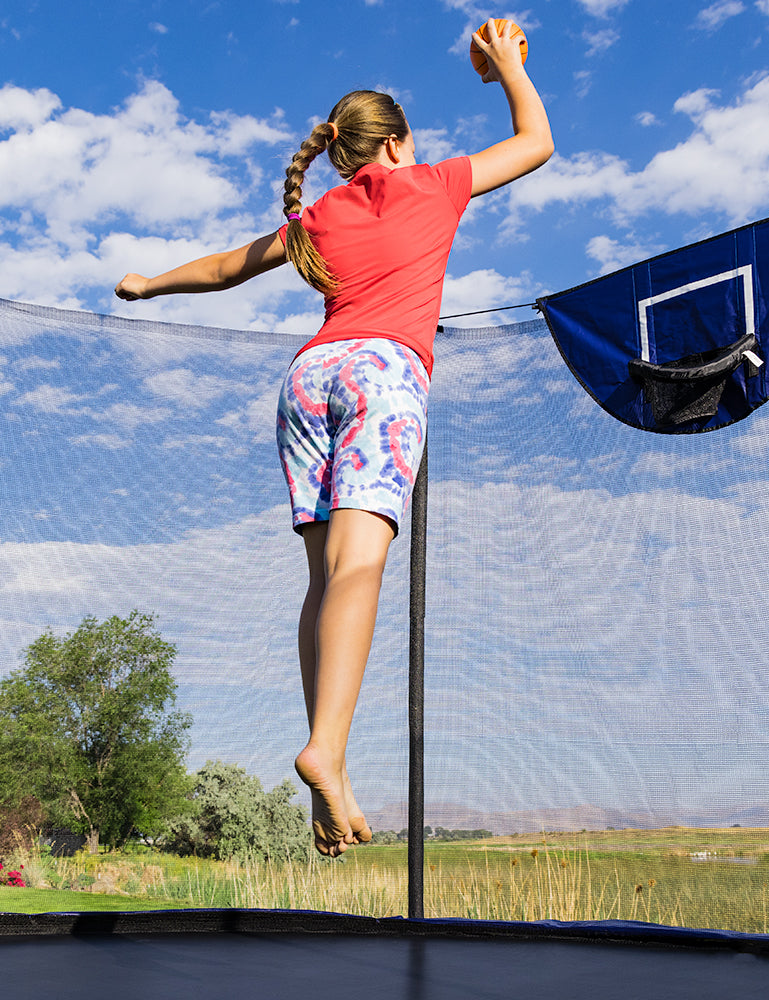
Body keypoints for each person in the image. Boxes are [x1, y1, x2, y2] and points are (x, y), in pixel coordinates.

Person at [115, 20, 553, 857]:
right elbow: (536, 142)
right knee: (362, 568)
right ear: (395, 144)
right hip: (383, 376)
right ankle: (326, 748)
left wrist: (150, 284)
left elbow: (223, 267)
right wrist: (504, 71)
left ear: (342, 155)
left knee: (323, 581)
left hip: (308, 378)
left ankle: (335, 773)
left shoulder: (318, 216)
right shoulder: (433, 183)